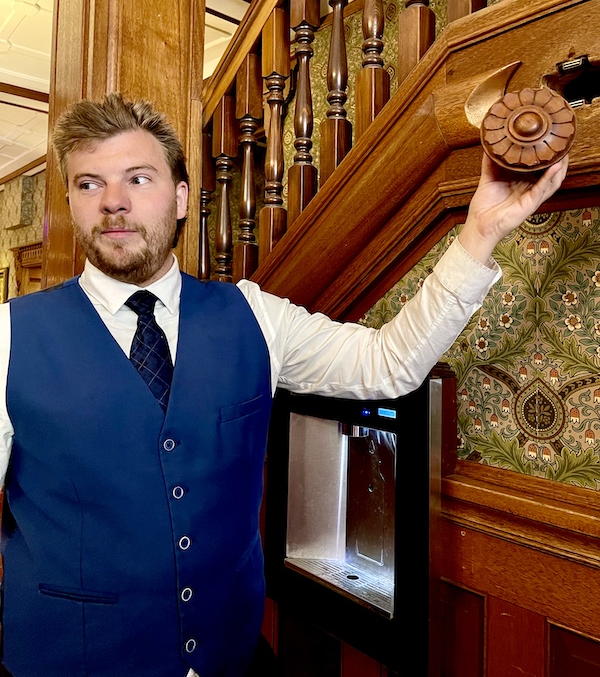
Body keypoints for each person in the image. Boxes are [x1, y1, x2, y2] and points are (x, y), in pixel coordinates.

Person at [0, 94, 568, 677]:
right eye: (89, 184)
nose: (114, 202)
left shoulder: (254, 315)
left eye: (137, 178)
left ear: (179, 198)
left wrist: (479, 233)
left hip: (232, 659)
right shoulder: (11, 335)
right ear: (70, 202)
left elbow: (388, 363)